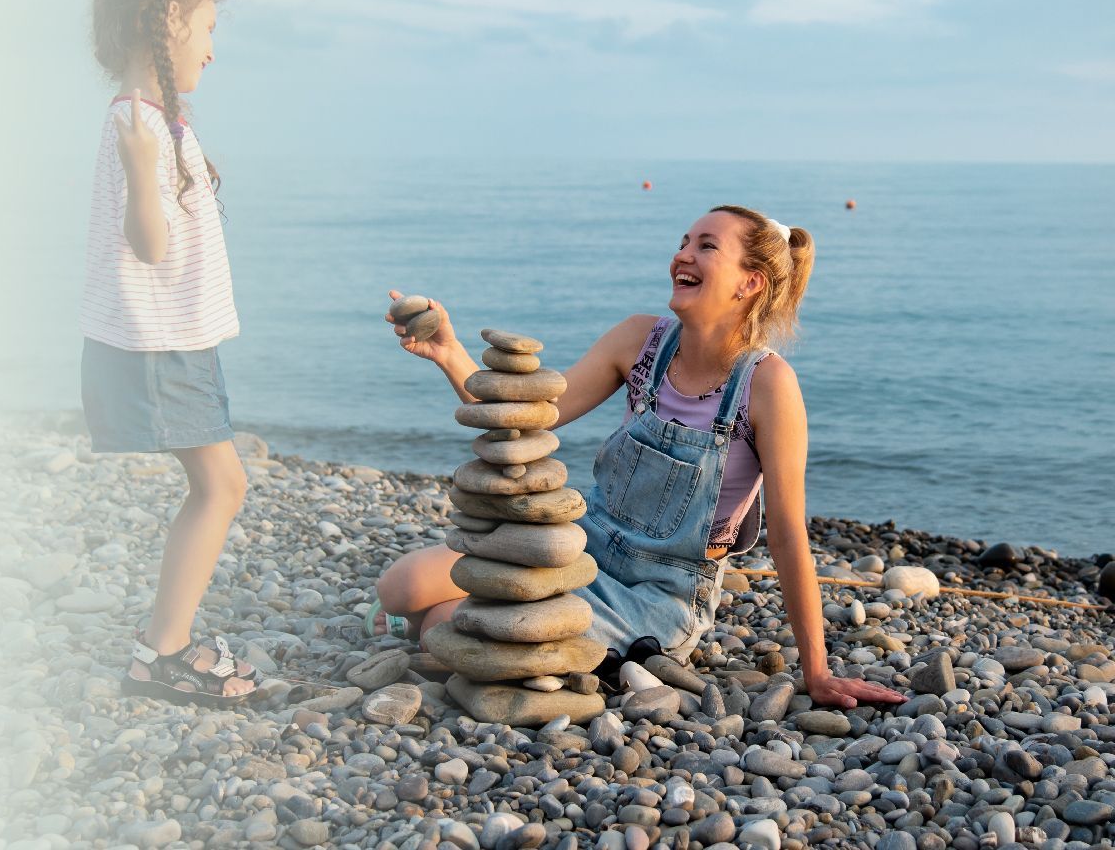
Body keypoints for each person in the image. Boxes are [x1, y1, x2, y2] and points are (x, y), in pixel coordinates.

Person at [373, 205, 905, 709]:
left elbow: (789, 535)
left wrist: (817, 672)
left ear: (750, 282)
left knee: (445, 624)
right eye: (682, 243)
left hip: (661, 592)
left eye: (706, 246)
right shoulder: (640, 341)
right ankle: (439, 628)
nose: (683, 255)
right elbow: (528, 415)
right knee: (400, 586)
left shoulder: (767, 385)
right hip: (584, 544)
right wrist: (448, 349)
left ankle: (467, 638)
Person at [80, 0, 257, 706]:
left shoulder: (152, 121)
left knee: (218, 485)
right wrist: (147, 162)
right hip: (160, 343)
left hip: (179, 337)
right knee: (220, 485)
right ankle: (162, 652)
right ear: (169, 22)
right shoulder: (135, 125)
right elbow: (147, 243)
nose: (212, 49)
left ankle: (163, 645)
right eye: (207, 29)